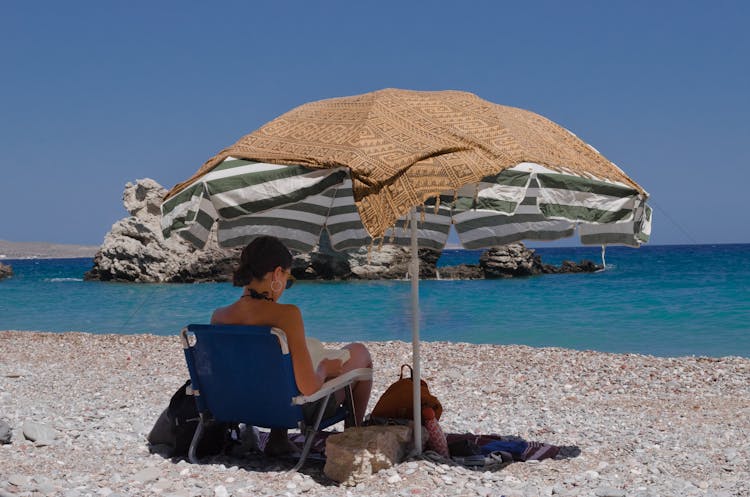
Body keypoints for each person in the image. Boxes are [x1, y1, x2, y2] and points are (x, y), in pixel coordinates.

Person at [211, 235, 373, 456]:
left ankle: (278, 439)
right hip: (293, 411)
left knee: (275, 370)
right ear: (277, 274)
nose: (286, 285)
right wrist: (325, 368)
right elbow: (308, 388)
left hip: (239, 407)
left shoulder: (219, 317)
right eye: (287, 277)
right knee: (360, 352)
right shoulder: (287, 316)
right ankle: (353, 438)